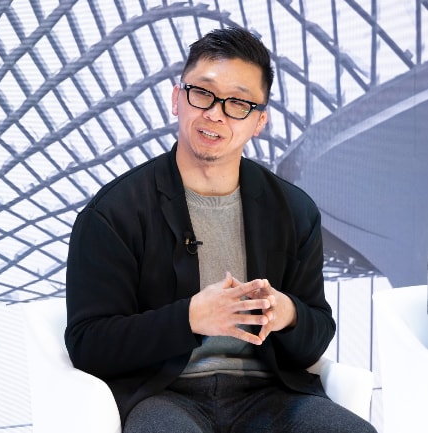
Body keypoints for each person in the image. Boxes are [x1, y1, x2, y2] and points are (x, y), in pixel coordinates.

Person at [64, 27, 376, 432]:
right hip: (161, 394)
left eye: (238, 103)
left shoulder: (294, 210)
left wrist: (287, 314)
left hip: (270, 393)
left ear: (259, 121)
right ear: (177, 99)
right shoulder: (114, 212)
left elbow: (316, 334)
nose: (215, 113)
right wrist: (189, 318)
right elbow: (88, 344)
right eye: (203, 93)